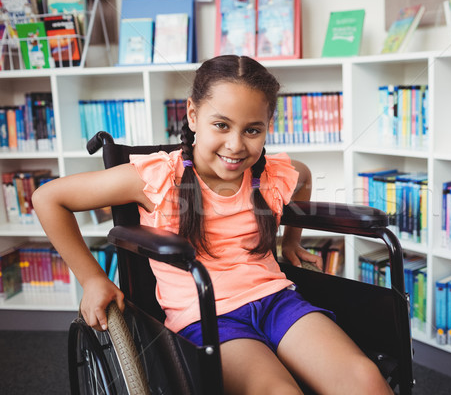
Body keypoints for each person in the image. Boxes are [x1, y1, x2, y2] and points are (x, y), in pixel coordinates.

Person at [33, 55, 393, 395]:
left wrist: (290, 243)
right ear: (193, 114)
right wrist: (93, 278)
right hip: (206, 315)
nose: (235, 145)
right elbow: (48, 198)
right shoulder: (158, 177)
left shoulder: (269, 174)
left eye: (252, 130)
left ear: (268, 127)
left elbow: (304, 177)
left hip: (277, 300)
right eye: (221, 125)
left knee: (365, 379)